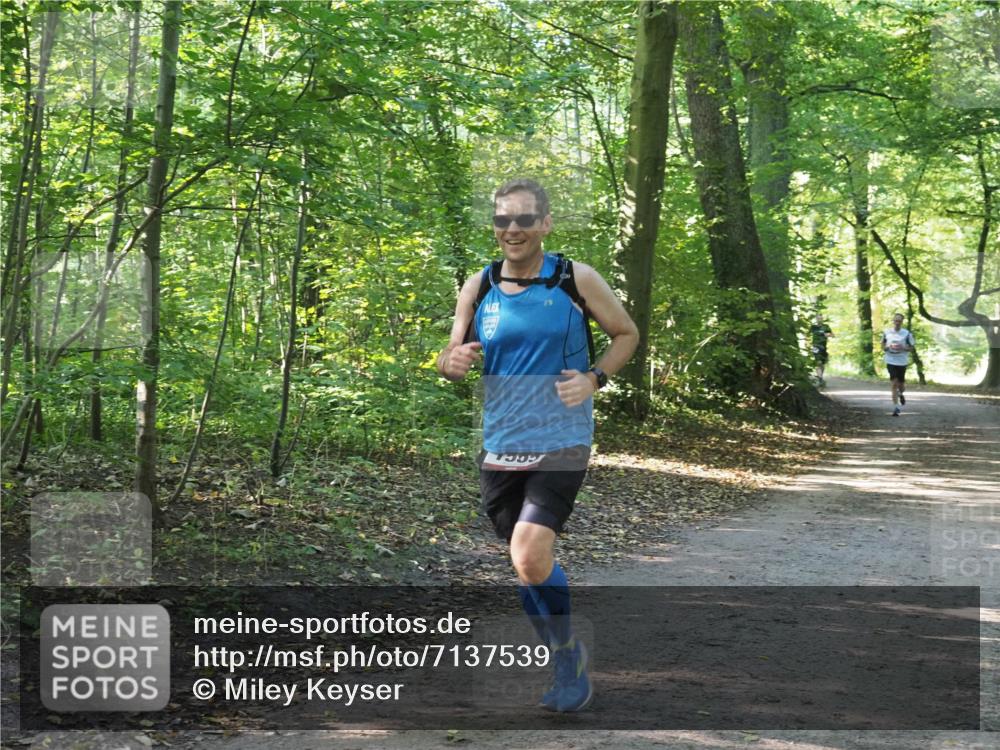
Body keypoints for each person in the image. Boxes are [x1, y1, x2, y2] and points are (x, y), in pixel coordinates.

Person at [436, 178, 638, 712]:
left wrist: (594, 378)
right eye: (503, 219)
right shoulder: (478, 286)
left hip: (563, 437)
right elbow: (453, 354)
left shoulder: (575, 280)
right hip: (500, 441)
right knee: (525, 563)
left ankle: (567, 657)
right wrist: (449, 363)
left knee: (528, 550)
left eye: (525, 219)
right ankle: (562, 653)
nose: (513, 230)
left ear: (545, 224)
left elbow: (626, 334)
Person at [881, 313, 915, 416]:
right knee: (894, 383)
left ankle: (901, 394)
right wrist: (887, 347)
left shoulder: (907, 333)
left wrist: (903, 348)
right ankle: (896, 407)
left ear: (902, 322)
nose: (897, 323)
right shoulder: (887, 332)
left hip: (902, 361)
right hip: (890, 360)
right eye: (895, 320)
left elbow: (911, 347)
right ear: (893, 321)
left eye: (899, 321)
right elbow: (882, 345)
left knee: (901, 385)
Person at [809, 314, 833, 386]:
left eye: (821, 318)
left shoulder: (826, 326)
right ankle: (820, 379)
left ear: (822, 319)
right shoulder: (813, 327)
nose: (819, 319)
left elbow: (832, 335)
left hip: (823, 347)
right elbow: (807, 335)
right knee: (818, 362)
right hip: (816, 346)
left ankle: (821, 377)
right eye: (818, 318)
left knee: (822, 363)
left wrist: (826, 334)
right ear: (816, 319)